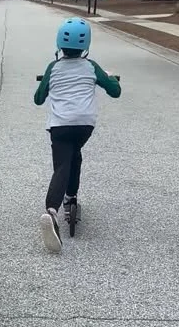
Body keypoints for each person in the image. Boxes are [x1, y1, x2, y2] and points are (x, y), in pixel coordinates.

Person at [34, 17, 121, 253]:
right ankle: (70, 197)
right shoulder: (92, 67)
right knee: (75, 156)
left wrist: (47, 85)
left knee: (62, 165)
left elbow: (38, 99)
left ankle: (52, 211)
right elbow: (115, 92)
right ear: (86, 46)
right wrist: (109, 77)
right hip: (84, 126)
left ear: (59, 44)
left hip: (60, 126)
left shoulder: (53, 68)